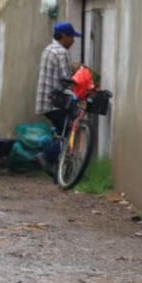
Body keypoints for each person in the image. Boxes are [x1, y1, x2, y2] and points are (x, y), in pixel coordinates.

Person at [34, 21, 81, 172]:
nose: (73, 41)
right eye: (71, 37)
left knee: (60, 133)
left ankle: (59, 171)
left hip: (45, 101)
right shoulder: (61, 52)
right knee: (70, 133)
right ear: (63, 36)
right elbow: (66, 79)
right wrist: (79, 73)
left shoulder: (49, 49)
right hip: (56, 102)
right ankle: (46, 156)